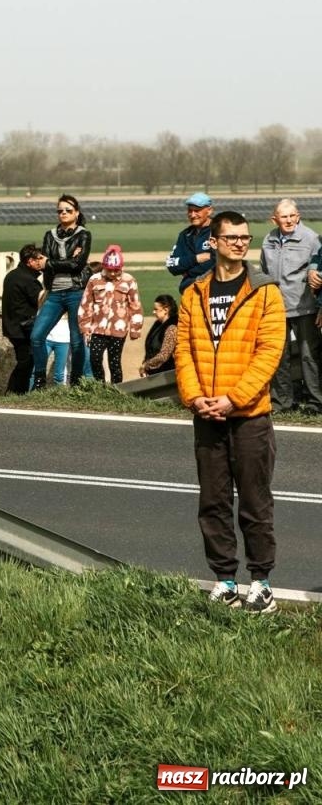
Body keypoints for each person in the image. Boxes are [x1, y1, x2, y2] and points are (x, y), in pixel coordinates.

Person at [176, 211, 285, 613]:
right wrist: (194, 396)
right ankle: (225, 580)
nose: (240, 243)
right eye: (232, 237)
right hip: (206, 414)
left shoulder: (265, 291)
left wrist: (234, 399)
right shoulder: (195, 293)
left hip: (250, 415)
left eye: (245, 237)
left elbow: (269, 352)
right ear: (214, 241)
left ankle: (262, 582)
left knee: (255, 503)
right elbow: (184, 350)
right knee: (213, 501)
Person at [260, 199, 322, 413]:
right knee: (279, 356)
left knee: (309, 355)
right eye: (283, 216)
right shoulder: (268, 239)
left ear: (298, 216)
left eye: (292, 216)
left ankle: (316, 401)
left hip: (305, 306)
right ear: (274, 218)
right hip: (276, 308)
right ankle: (283, 402)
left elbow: (318, 270)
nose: (288, 220)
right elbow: (264, 271)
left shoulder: (312, 239)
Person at [29, 195, 92, 388]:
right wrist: (53, 263)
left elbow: (77, 265)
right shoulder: (50, 235)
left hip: (75, 291)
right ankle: (39, 381)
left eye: (68, 210)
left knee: (76, 341)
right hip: (54, 293)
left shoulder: (84, 235)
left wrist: (51, 263)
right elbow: (43, 263)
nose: (63, 213)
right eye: (60, 211)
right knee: (37, 336)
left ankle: (76, 383)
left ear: (76, 213)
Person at [77, 244, 142, 385]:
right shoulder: (94, 280)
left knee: (114, 362)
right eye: (110, 270)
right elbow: (86, 304)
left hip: (118, 330)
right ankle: (100, 387)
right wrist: (85, 326)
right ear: (104, 267)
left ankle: (116, 389)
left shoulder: (129, 280)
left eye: (116, 270)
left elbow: (135, 306)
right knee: (94, 359)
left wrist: (135, 329)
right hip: (97, 328)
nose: (113, 273)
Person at [1, 245, 46, 394]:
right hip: (22, 328)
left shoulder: (13, 274)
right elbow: (40, 301)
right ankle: (16, 392)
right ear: (30, 261)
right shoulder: (28, 280)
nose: (42, 261)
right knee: (27, 361)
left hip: (13, 326)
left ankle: (14, 391)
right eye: (39, 258)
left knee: (25, 360)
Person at [167, 192, 217, 292]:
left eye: (197, 211)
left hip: (213, 290)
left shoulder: (219, 230)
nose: (193, 215)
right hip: (188, 292)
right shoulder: (185, 235)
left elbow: (217, 263)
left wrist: (188, 271)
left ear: (209, 211)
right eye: (190, 211)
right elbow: (172, 265)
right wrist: (196, 258)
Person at [139, 294, 179, 377]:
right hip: (155, 373)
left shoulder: (171, 328)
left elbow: (164, 355)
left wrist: (147, 365)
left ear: (166, 310)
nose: (153, 312)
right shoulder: (158, 325)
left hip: (166, 376)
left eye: (156, 309)